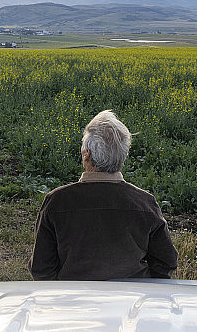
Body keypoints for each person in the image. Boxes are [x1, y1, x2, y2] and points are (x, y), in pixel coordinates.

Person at [29, 110, 178, 280]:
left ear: (87, 155)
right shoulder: (145, 203)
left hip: (73, 301)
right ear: (123, 156)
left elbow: (41, 269)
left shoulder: (57, 201)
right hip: (129, 300)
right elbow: (166, 262)